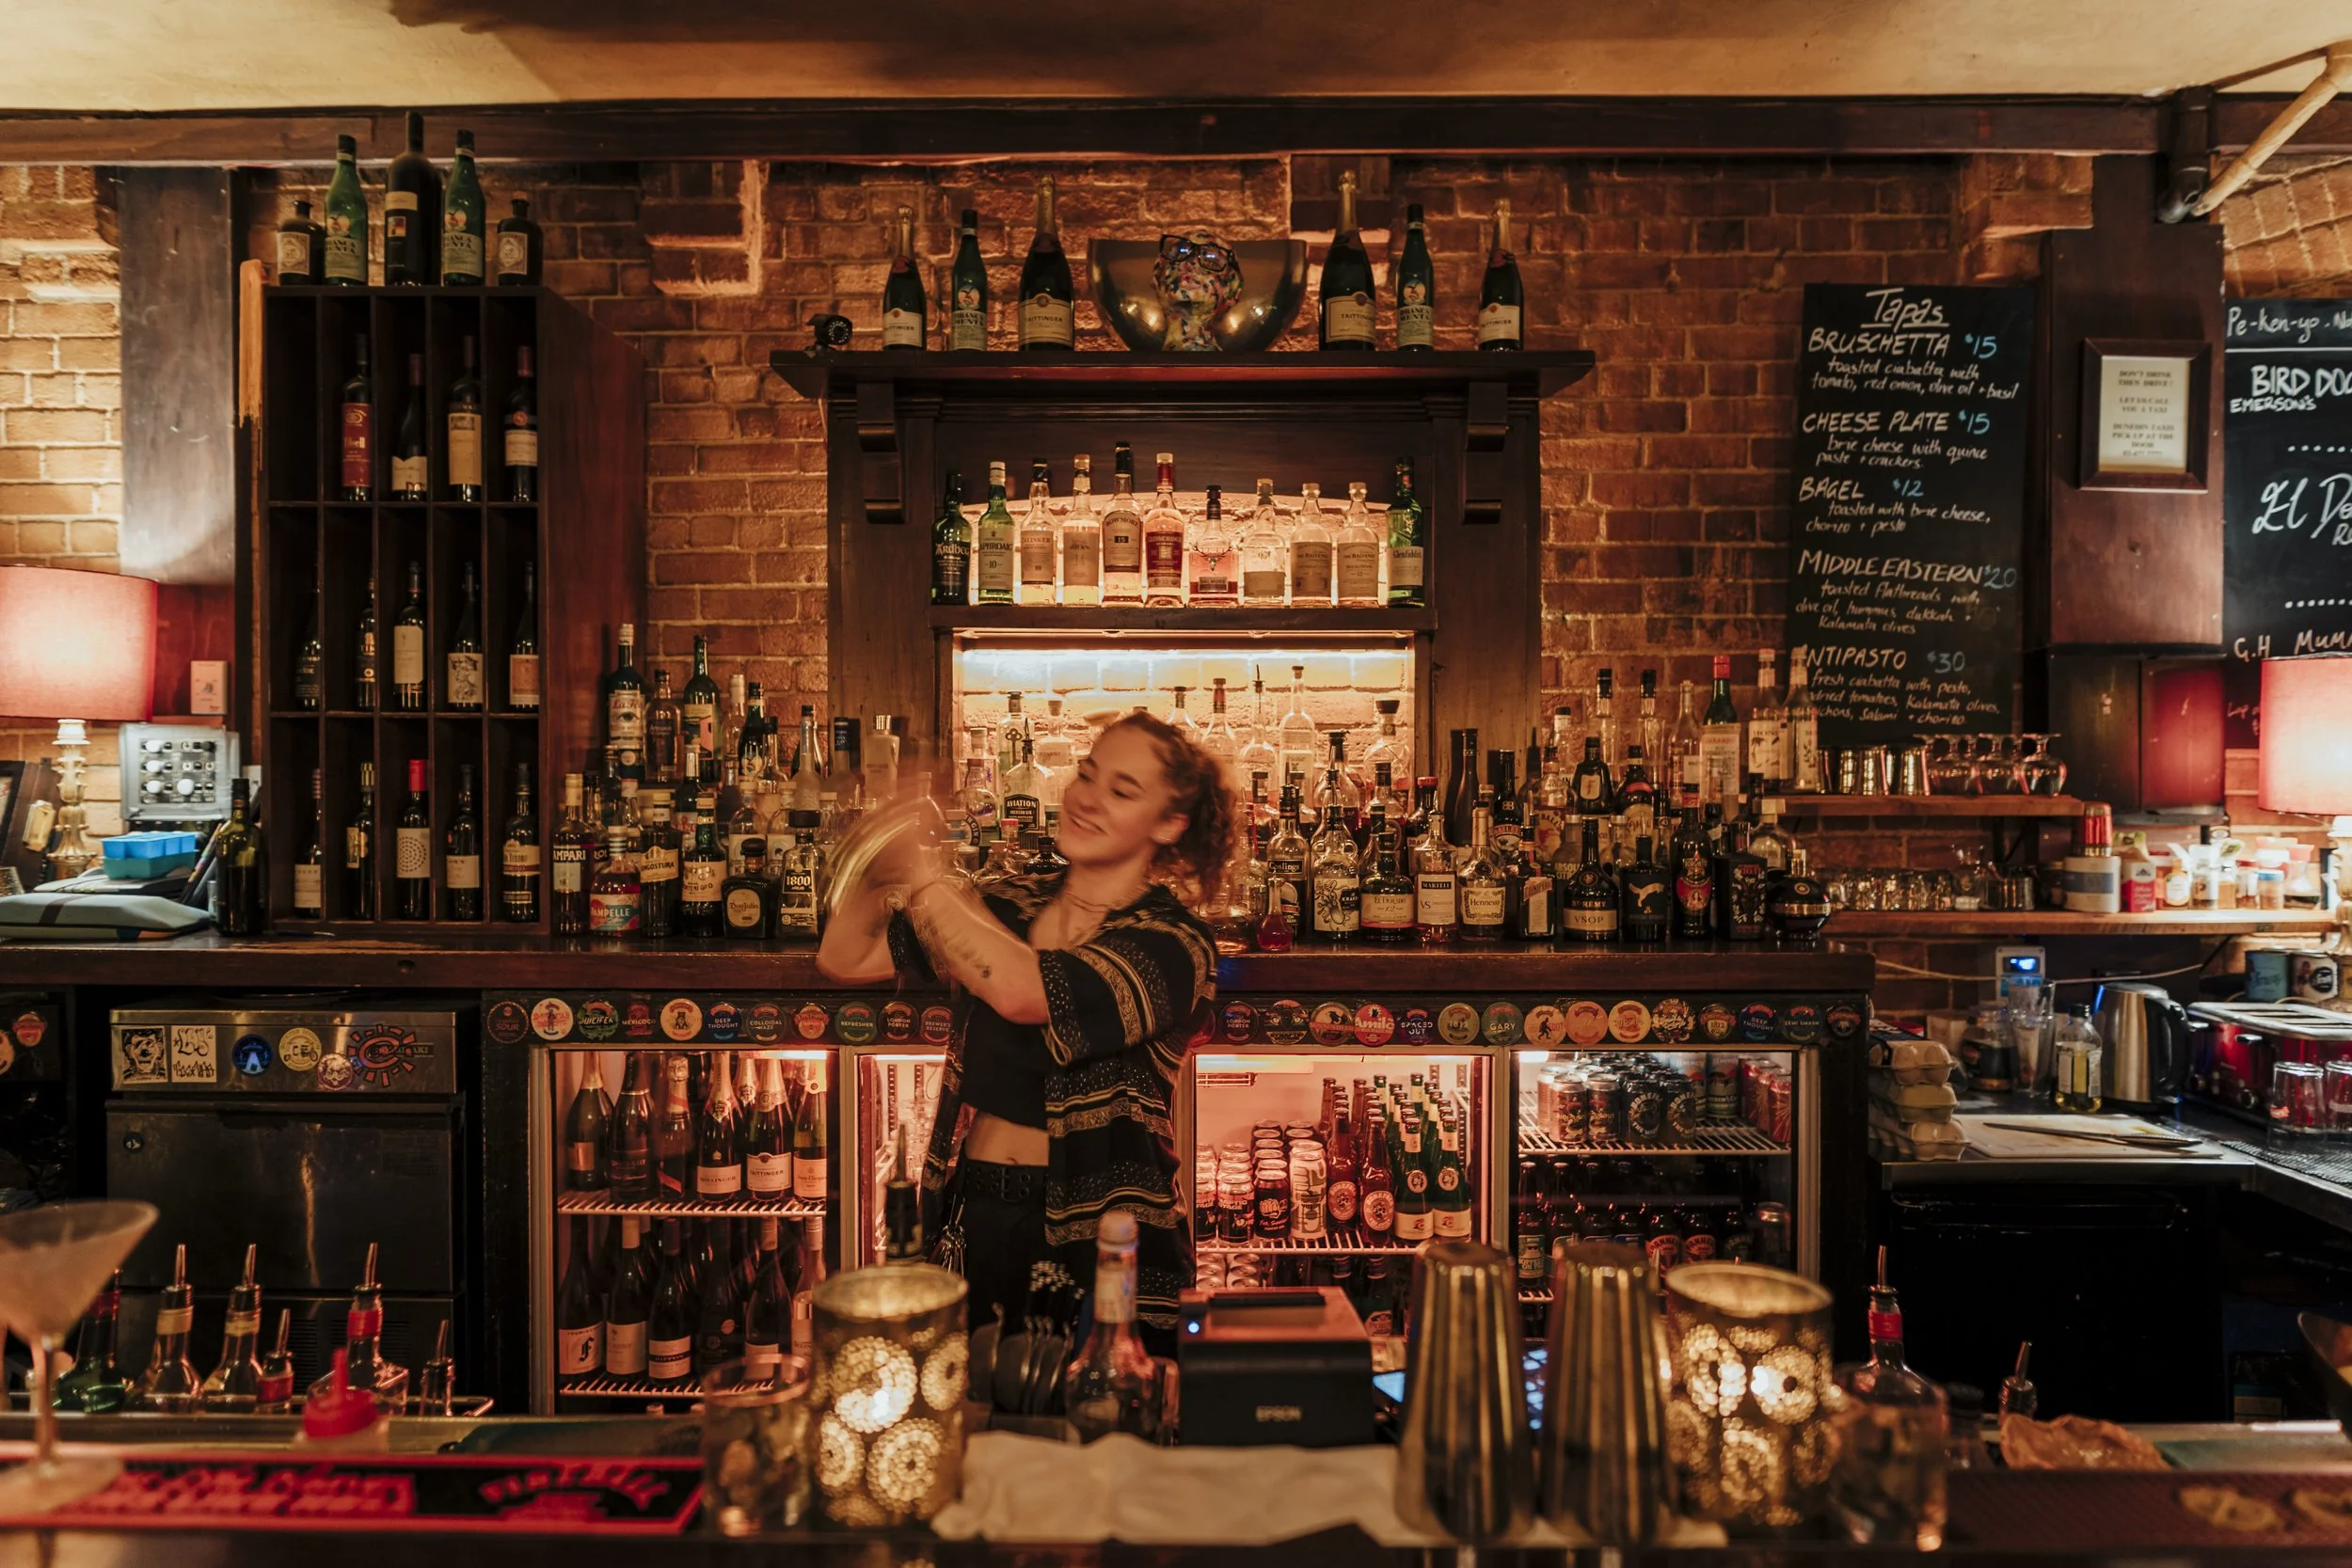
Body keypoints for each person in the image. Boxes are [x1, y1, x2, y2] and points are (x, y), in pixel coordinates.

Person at [818, 711, 1232, 1348]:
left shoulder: (1175, 944)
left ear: (1169, 823)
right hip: (976, 1211)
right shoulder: (1007, 903)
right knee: (971, 1399)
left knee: (1099, 1399)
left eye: (1122, 791)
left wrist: (923, 875)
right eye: (1087, 775)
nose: (1088, 798)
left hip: (1105, 1236)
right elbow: (846, 956)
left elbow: (1025, 991)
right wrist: (878, 853)